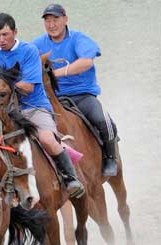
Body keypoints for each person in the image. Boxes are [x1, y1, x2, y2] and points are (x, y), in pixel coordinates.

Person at [0, 13, 85, 198]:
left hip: (33, 107)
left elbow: (28, 87)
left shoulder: (29, 51)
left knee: (47, 139)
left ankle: (71, 178)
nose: (1, 40)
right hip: (4, 113)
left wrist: (1, 84)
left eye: (5, 34)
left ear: (15, 32)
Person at [34, 4, 118, 176]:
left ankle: (110, 157)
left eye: (55, 19)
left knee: (104, 121)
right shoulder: (38, 44)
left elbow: (87, 62)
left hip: (82, 95)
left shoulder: (79, 39)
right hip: (53, 99)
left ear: (65, 19)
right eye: (47, 21)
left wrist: (56, 74)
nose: (51, 24)